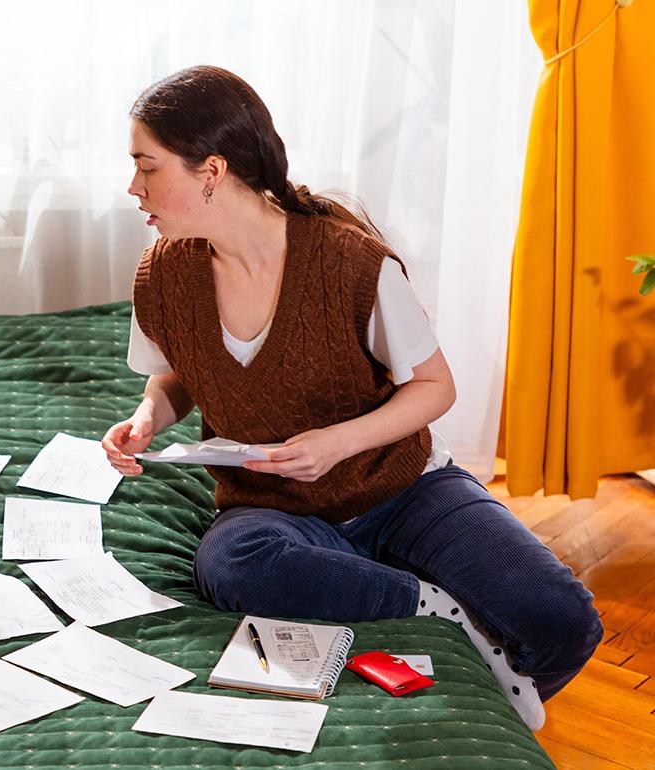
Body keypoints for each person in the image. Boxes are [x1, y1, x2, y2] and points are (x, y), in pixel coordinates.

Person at [101, 65, 601, 731]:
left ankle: (438, 631)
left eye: (148, 167)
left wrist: (337, 443)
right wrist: (145, 418)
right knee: (230, 565)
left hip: (403, 491)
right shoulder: (161, 275)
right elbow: (179, 375)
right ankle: (431, 607)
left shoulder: (350, 265)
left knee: (563, 618)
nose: (133, 187)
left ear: (212, 171)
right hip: (272, 507)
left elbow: (434, 386)